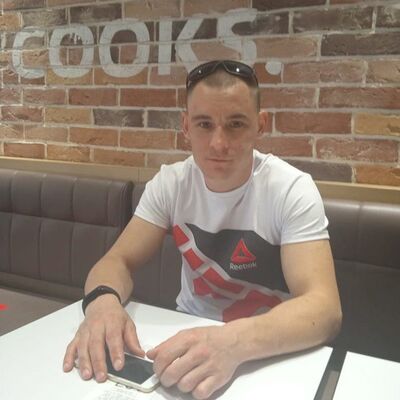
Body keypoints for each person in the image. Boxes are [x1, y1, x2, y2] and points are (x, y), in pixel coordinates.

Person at [63, 60, 342, 399]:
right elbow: (116, 261)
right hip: (185, 341)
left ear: (260, 125)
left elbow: (324, 309)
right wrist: (102, 303)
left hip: (267, 351)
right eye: (204, 124)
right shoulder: (171, 184)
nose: (218, 143)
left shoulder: (290, 189)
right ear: (186, 126)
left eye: (236, 124)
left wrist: (232, 342)